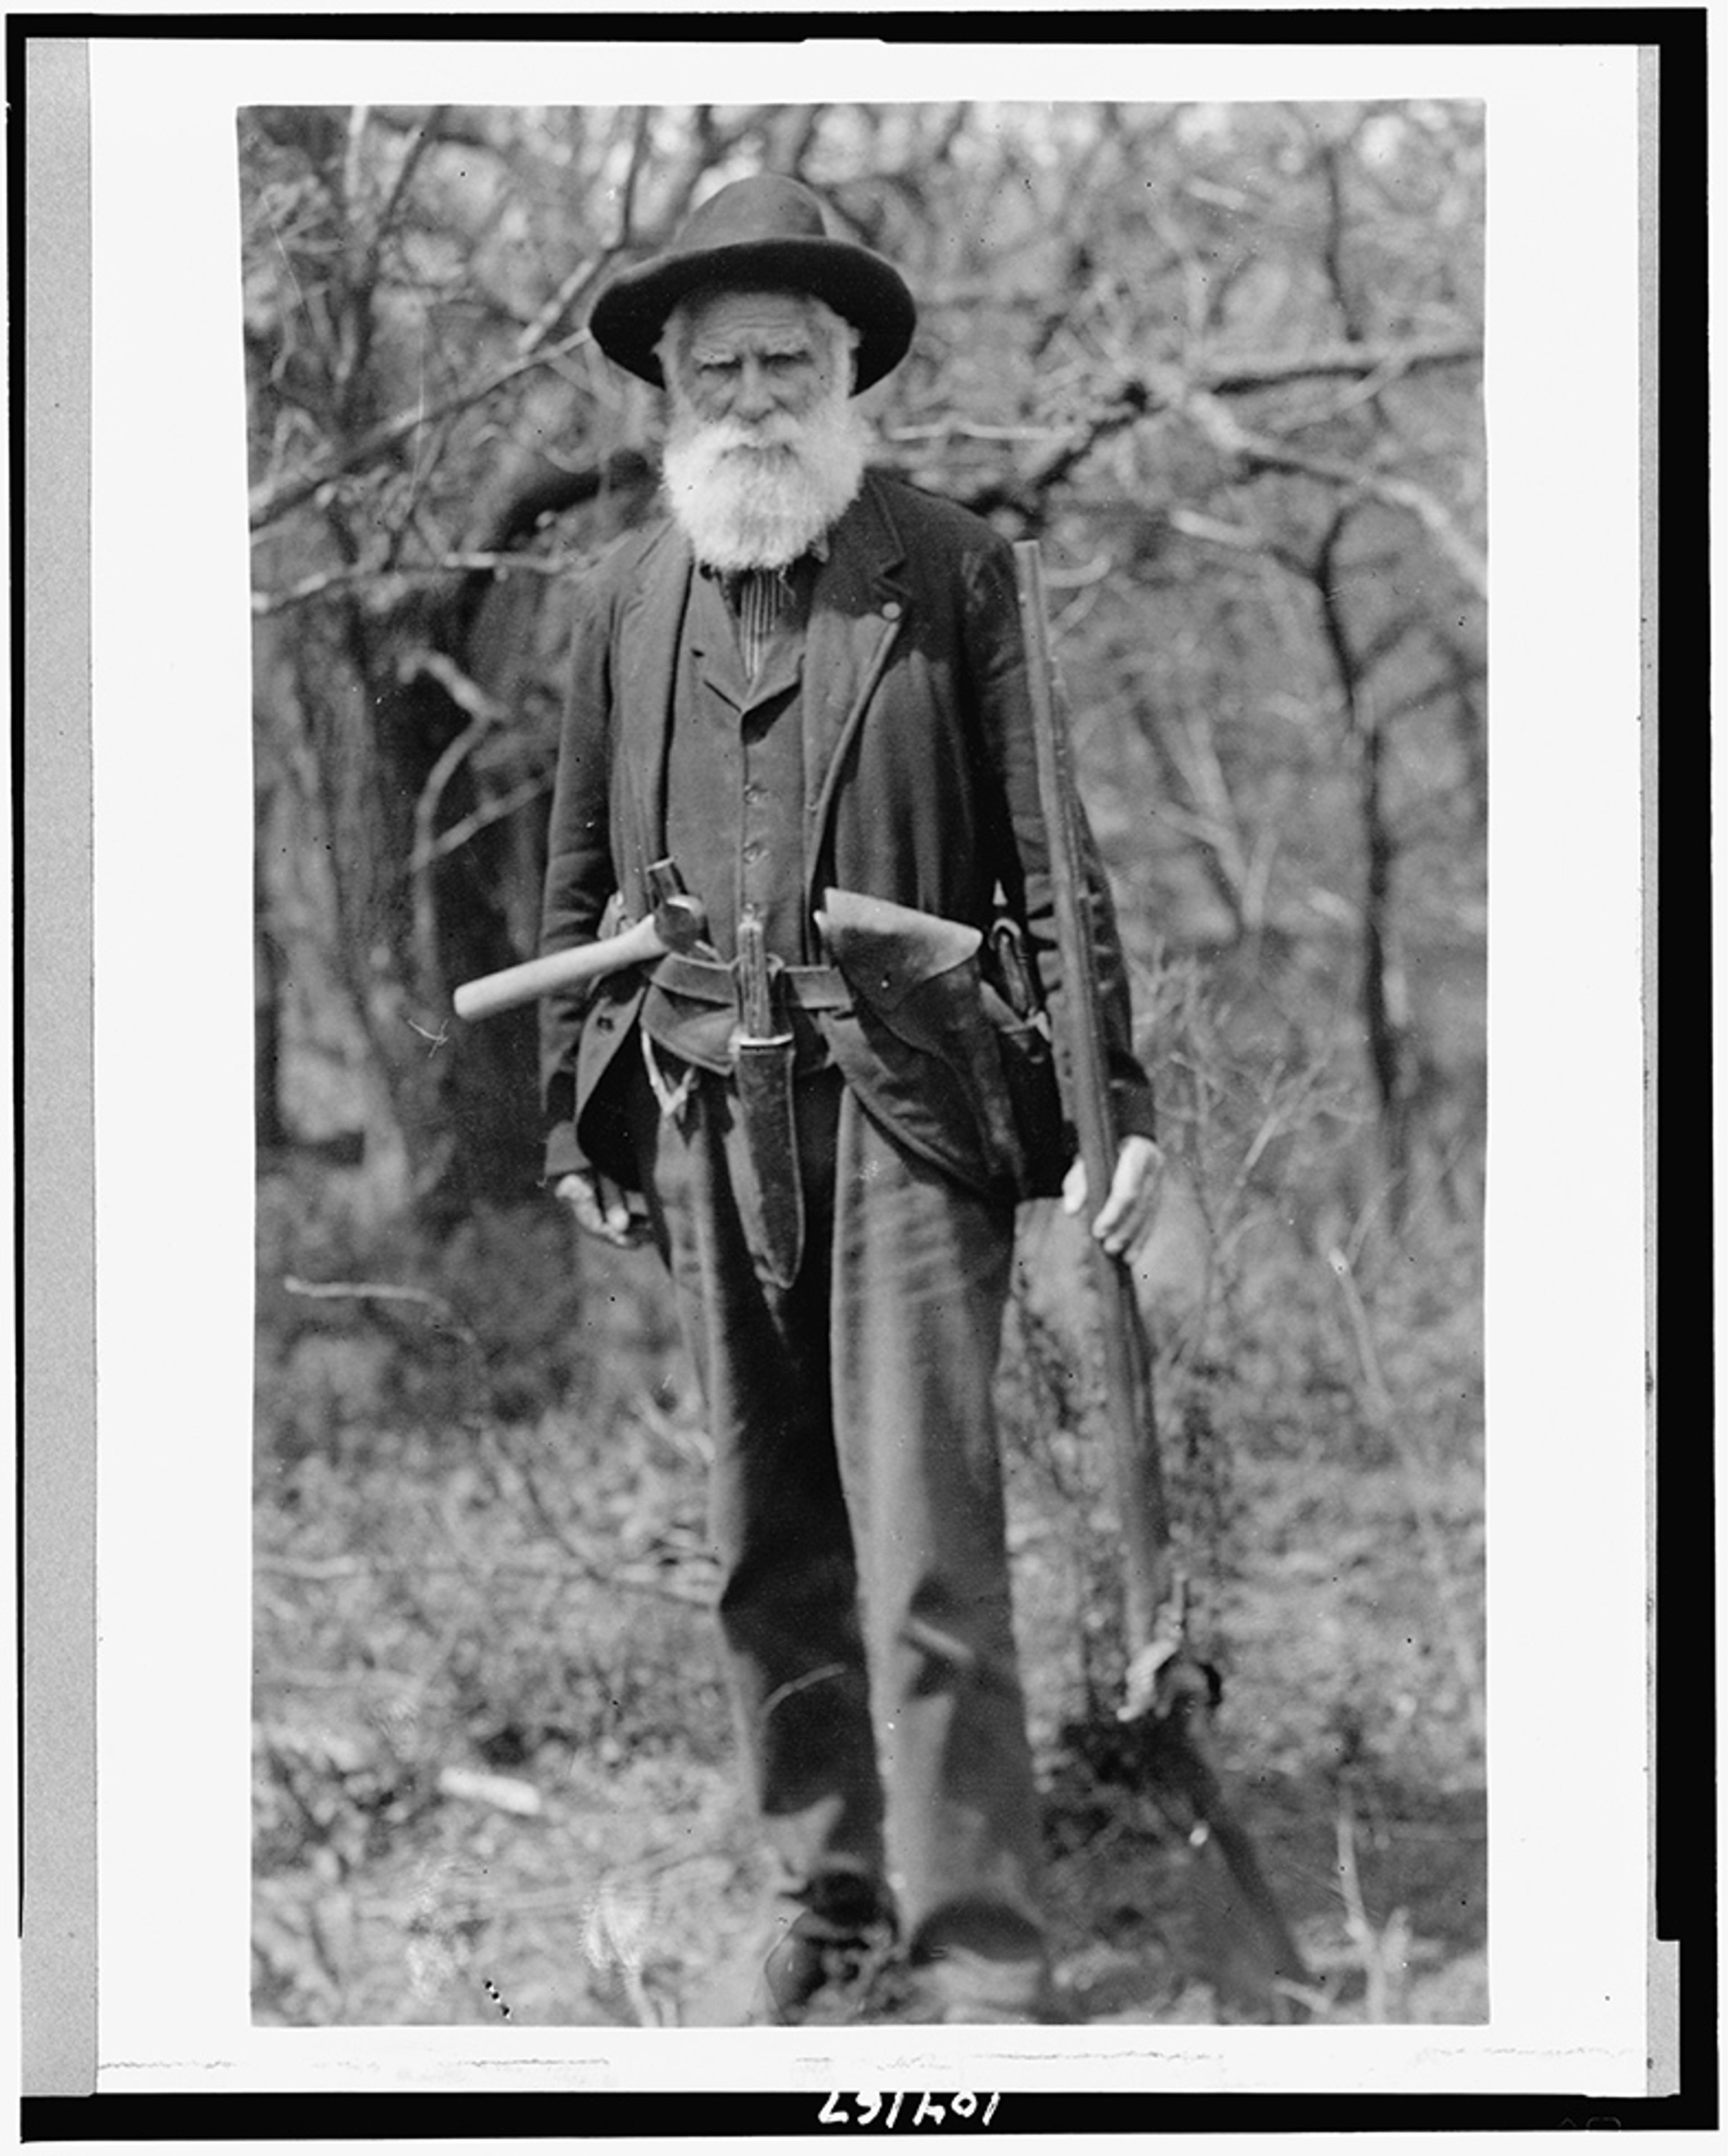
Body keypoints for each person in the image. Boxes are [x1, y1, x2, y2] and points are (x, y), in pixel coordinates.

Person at [538, 173, 1161, 2025]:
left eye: (784, 359)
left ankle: (978, 1944)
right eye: (716, 361)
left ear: (842, 375)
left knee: (924, 1540)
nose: (749, 394)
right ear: (668, 383)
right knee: (764, 1545)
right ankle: (827, 1904)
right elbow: (574, 887)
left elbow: (1057, 869)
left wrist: (1107, 1101)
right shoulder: (624, 596)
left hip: (906, 1107)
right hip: (704, 1106)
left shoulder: (954, 569)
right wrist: (583, 1110)